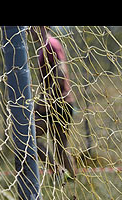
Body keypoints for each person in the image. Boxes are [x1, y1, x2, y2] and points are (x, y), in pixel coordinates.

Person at [32, 26, 77, 179]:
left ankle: (70, 177)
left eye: (30, 27)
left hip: (61, 102)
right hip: (53, 103)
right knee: (31, 137)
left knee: (60, 148)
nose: (27, 31)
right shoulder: (42, 47)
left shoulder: (51, 44)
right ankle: (59, 172)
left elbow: (61, 72)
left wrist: (47, 98)